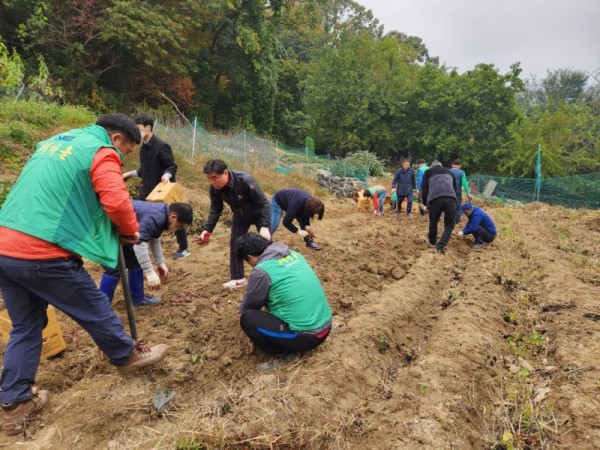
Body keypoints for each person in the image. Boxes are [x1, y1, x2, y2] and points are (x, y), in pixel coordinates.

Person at [0, 114, 169, 435]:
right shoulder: (101, 150)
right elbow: (117, 200)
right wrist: (129, 231)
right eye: (126, 152)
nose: (122, 159)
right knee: (93, 305)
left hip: (5, 246)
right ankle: (125, 353)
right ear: (117, 139)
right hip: (42, 249)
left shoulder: (54, 142)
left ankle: (14, 402)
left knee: (26, 326)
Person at [234, 233, 333, 371]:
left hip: (306, 337)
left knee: (248, 319)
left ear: (250, 258)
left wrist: (243, 310)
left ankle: (285, 355)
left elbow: (250, 306)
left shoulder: (261, 271)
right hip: (326, 326)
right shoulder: (293, 254)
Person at [99, 201, 194, 306]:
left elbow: (154, 239)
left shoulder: (162, 215)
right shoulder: (155, 217)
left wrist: (160, 263)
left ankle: (137, 299)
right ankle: (102, 307)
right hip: (104, 229)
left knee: (135, 261)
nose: (179, 228)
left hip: (122, 232)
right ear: (173, 217)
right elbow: (140, 245)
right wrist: (149, 272)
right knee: (114, 268)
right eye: (181, 225)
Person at [195, 159, 271, 289]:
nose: (212, 182)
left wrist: (264, 226)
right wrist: (207, 230)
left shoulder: (245, 181)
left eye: (215, 178)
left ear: (225, 173)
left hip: (259, 213)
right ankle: (238, 278)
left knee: (266, 243)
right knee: (235, 243)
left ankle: (272, 273)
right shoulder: (215, 189)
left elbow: (264, 203)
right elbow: (215, 209)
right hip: (240, 215)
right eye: (209, 178)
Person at [123, 114, 190, 260]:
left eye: (139, 129)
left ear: (148, 128)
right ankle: (138, 240)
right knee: (137, 210)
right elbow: (145, 169)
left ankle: (184, 248)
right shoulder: (143, 149)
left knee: (175, 217)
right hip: (148, 189)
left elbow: (171, 165)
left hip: (162, 189)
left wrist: (166, 175)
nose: (137, 132)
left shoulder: (161, 146)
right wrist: (130, 173)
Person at [421, 161, 458, 253]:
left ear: (432, 167)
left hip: (435, 199)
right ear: (442, 166)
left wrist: (426, 203)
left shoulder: (428, 172)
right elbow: (455, 188)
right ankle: (440, 246)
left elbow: (424, 188)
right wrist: (455, 201)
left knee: (433, 222)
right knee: (449, 225)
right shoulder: (450, 172)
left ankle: (432, 242)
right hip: (451, 198)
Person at [450, 159, 472, 223]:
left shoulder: (448, 171)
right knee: (458, 205)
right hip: (457, 192)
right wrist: (468, 193)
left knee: (449, 204)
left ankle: (449, 219)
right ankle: (457, 220)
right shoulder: (462, 172)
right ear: (460, 166)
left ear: (452, 165)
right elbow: (465, 183)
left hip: (448, 191)